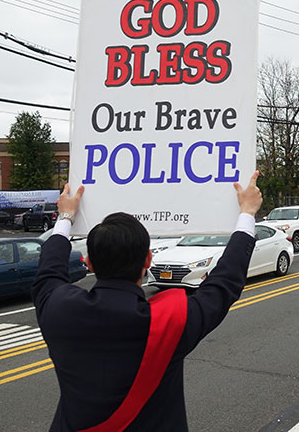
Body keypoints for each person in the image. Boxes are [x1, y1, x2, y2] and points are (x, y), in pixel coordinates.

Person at [32, 171, 262, 431]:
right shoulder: (169, 321)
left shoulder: (59, 308)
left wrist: (66, 217)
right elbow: (224, 283)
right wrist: (247, 213)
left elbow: (49, 270)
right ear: (148, 260)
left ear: (89, 264)